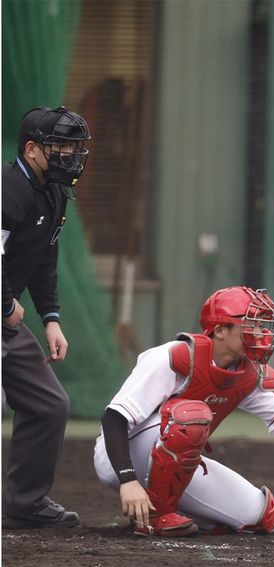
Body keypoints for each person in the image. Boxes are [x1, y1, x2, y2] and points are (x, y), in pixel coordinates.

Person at [93, 286, 274, 536]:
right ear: (220, 330)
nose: (261, 333)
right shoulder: (174, 357)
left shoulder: (247, 373)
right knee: (191, 416)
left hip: (172, 459)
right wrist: (128, 480)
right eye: (251, 325)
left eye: (261, 326)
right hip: (119, 455)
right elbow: (115, 417)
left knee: (261, 516)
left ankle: (173, 511)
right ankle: (157, 517)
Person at [2, 106, 91, 529]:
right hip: (3, 312)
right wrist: (5, 305)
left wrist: (51, 318)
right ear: (32, 148)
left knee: (49, 405)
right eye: (60, 146)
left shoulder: (53, 192)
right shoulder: (8, 189)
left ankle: (25, 503)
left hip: (6, 321)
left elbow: (44, 259)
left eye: (74, 146)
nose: (70, 155)